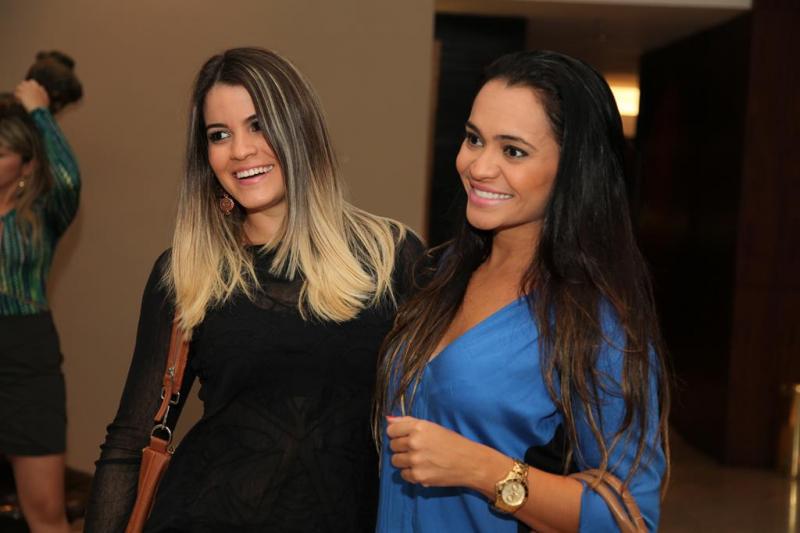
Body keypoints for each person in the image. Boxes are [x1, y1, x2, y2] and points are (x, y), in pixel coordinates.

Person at [84, 47, 423, 532]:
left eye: (258, 125)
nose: (240, 150)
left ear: (300, 129)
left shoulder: (390, 255)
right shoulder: (189, 270)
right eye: (219, 135)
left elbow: (437, 412)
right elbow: (129, 440)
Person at [375, 50, 670, 532]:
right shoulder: (439, 274)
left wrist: (483, 470)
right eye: (474, 139)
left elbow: (630, 519)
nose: (479, 167)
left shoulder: (598, 324)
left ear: (572, 169)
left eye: (513, 151)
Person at [0, 52, 82, 533]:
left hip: (26, 359)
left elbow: (68, 177)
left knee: (46, 512)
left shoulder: (42, 215)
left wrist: (39, 111)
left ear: (26, 164)